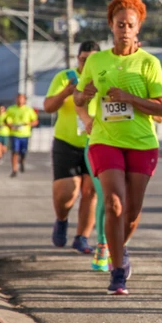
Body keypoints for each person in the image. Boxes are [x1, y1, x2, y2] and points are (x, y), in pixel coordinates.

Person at [75, 0, 162, 296]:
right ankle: (117, 272)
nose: (125, 30)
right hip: (105, 140)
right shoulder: (96, 60)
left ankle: (120, 249)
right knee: (114, 203)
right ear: (111, 27)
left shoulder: (149, 63)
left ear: (138, 27)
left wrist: (130, 98)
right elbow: (78, 98)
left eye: (130, 25)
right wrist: (85, 95)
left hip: (142, 143)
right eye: (120, 25)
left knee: (131, 210)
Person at [44, 41, 101, 254]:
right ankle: (61, 219)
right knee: (67, 193)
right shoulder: (65, 77)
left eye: (91, 59)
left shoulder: (102, 77)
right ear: (77, 59)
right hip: (66, 142)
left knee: (91, 190)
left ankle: (82, 237)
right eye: (83, 59)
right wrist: (66, 92)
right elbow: (49, 107)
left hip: (95, 142)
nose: (86, 63)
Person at [4, 95, 39, 177]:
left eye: (21, 99)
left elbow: (35, 121)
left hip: (25, 134)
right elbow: (6, 120)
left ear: (25, 100)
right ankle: (14, 169)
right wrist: (10, 125)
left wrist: (28, 124)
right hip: (14, 134)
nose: (19, 100)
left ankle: (22, 161)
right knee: (15, 151)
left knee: (23, 151)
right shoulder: (11, 109)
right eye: (18, 98)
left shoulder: (29, 110)